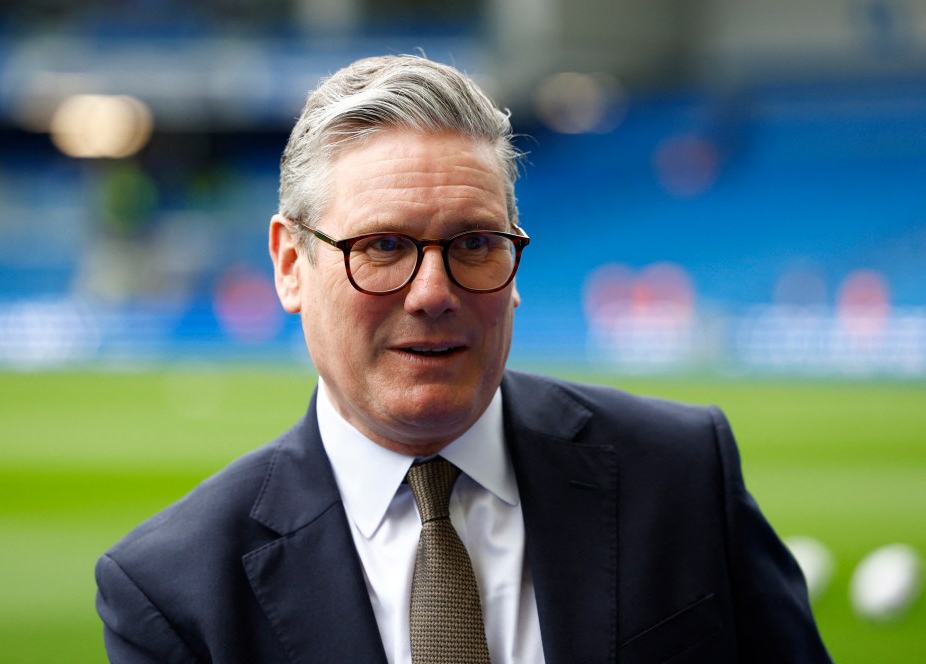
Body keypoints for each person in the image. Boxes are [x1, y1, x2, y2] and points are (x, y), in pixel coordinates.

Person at [95, 55, 831, 663]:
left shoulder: (680, 473)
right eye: (382, 247)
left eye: (475, 244)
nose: (433, 293)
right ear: (291, 264)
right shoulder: (174, 589)